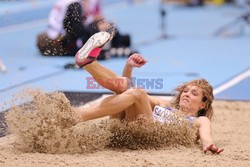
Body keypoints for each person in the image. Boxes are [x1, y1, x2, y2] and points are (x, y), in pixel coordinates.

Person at [74, 31, 224, 154]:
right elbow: (129, 92)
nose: (186, 94)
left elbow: (206, 136)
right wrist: (129, 67)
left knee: (138, 92)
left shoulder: (200, 120)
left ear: (203, 104)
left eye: (194, 94)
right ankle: (88, 63)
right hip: (122, 130)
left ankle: (77, 115)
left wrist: (208, 144)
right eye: (185, 91)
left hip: (145, 139)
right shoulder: (166, 104)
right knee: (131, 92)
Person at [36, 0, 132, 58]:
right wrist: (97, 28)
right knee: (98, 48)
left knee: (114, 31)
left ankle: (112, 46)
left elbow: (98, 18)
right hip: (57, 41)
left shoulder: (90, 2)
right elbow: (77, 32)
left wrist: (103, 25)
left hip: (71, 35)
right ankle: (111, 49)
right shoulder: (73, 4)